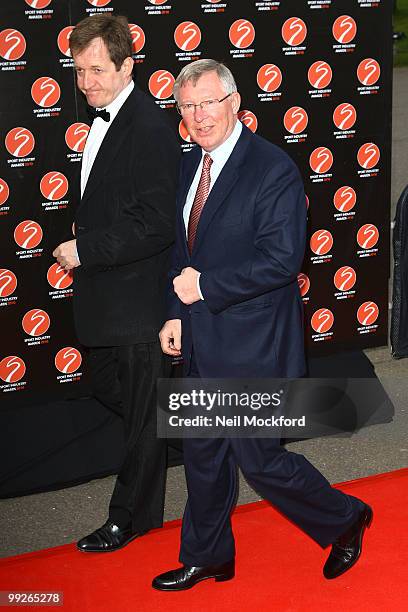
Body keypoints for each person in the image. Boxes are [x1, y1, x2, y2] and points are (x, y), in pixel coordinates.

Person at [153, 59, 372, 590]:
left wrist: (202, 288)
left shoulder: (272, 168)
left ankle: (346, 518)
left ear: (235, 103)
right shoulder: (189, 166)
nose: (200, 115)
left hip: (252, 344)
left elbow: (281, 260)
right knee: (203, 455)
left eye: (209, 102)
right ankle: (208, 555)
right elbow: (181, 252)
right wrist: (175, 312)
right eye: (188, 106)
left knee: (261, 462)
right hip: (202, 339)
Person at [53, 14, 180, 553]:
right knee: (121, 397)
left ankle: (130, 516)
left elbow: (154, 224)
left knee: (142, 418)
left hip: (137, 298)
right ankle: (183, 428)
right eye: (80, 71)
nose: (87, 83)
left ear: (128, 66)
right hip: (107, 298)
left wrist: (85, 250)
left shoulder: (148, 127)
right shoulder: (105, 123)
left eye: (98, 69)